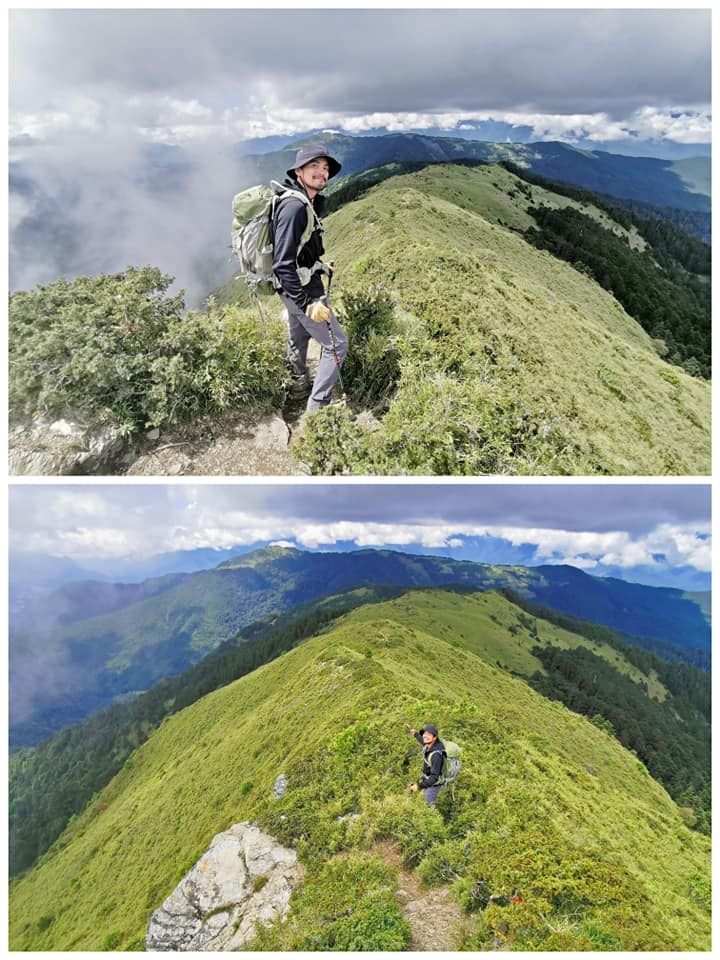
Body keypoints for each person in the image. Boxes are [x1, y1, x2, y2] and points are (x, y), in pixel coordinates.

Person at [272, 143, 348, 412]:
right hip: (300, 289)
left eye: (325, 168)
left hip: (293, 287)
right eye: (314, 166)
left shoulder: (306, 201)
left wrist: (320, 265)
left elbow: (299, 251)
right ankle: (317, 412)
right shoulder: (294, 207)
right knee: (337, 344)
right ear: (299, 171)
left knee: (299, 336)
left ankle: (297, 386)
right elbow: (282, 263)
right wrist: (307, 303)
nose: (322, 172)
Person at [407, 723, 446, 807]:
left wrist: (419, 786)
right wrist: (415, 734)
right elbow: (423, 740)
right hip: (427, 780)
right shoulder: (430, 744)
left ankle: (434, 818)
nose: (425, 736)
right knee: (421, 802)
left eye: (428, 734)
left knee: (427, 806)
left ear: (434, 738)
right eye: (424, 733)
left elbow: (434, 777)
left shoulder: (436, 755)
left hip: (434, 784)